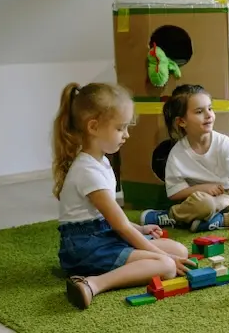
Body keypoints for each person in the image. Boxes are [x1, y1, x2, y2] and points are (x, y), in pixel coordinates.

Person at [52, 82, 192, 310]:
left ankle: (143, 262)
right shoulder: (87, 171)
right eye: (120, 128)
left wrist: (142, 230)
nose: (126, 135)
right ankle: (92, 283)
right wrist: (159, 255)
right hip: (86, 246)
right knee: (166, 265)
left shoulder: (102, 161)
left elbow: (115, 220)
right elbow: (120, 227)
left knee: (179, 250)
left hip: (102, 234)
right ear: (93, 127)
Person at [140, 84, 229, 232]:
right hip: (200, 201)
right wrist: (201, 188)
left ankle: (222, 220)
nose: (208, 115)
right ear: (182, 122)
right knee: (205, 205)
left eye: (210, 108)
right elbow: (174, 193)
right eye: (199, 111)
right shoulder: (177, 154)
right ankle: (171, 216)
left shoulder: (224, 144)